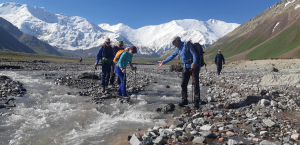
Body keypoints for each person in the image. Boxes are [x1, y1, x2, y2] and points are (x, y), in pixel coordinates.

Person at [157, 36, 201, 109]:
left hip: (194, 67)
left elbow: (194, 54)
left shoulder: (187, 45)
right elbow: (172, 56)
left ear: (177, 41)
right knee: (183, 84)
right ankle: (184, 100)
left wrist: (194, 63)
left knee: (195, 84)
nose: (173, 44)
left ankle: (197, 101)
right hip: (185, 67)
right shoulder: (177, 48)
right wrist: (163, 62)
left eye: (173, 42)